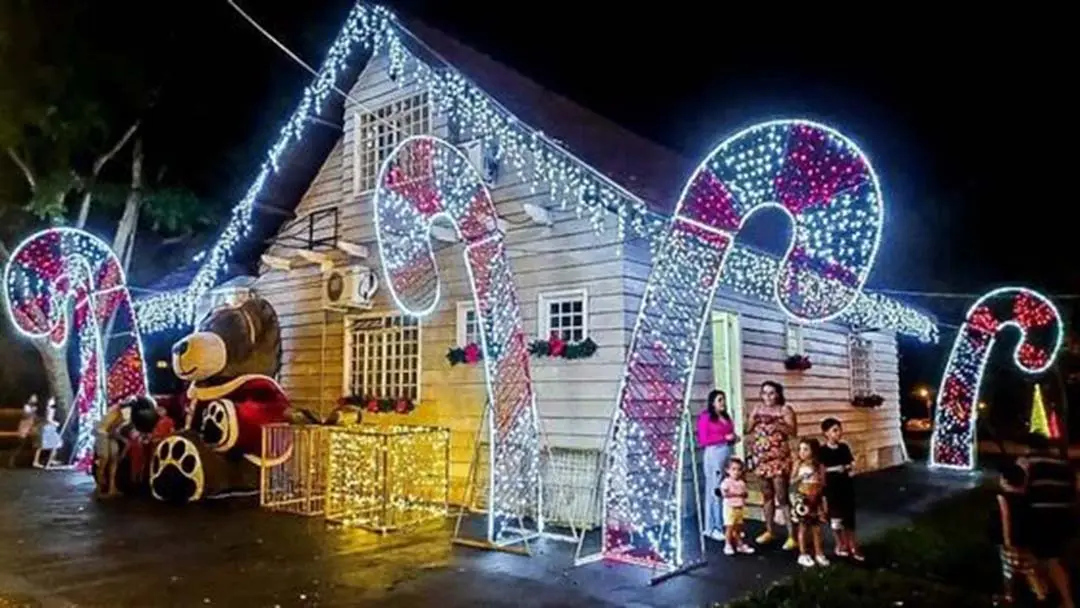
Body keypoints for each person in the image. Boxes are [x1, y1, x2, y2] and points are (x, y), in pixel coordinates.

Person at [1018, 432, 1077, 608]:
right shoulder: (1062, 463)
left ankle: (1063, 600)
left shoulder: (1026, 463)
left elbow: (1018, 491)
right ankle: (1051, 594)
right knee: (1051, 558)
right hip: (1065, 517)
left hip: (1040, 518)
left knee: (1045, 559)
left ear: (1029, 446)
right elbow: (1072, 490)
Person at [747, 380, 797, 549]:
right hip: (762, 459)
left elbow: (793, 432)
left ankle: (792, 535)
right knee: (766, 496)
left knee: (781, 497)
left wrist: (777, 423)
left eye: (771, 393)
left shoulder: (785, 410)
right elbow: (748, 429)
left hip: (779, 460)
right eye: (764, 393)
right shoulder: (757, 409)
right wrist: (753, 418)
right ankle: (769, 530)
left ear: (778, 394)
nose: (767, 397)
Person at [991, 463, 1046, 604]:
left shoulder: (1003, 499)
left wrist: (1007, 540)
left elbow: (1005, 518)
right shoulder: (1027, 500)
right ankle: (1041, 596)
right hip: (1026, 542)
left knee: (1010, 570)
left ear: (1005, 481)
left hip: (1010, 543)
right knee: (1029, 570)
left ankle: (1011, 596)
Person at [819, 418, 862, 561]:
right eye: (834, 430)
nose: (838, 433)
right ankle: (840, 543)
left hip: (845, 485)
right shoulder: (823, 451)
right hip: (832, 487)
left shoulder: (843, 447)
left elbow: (850, 463)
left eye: (839, 430)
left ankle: (853, 544)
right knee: (836, 518)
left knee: (849, 517)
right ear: (826, 433)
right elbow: (822, 470)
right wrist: (835, 469)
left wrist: (849, 468)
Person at [697, 389, 737, 541]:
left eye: (724, 399)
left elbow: (730, 433)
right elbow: (703, 439)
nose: (723, 403)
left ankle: (728, 525)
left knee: (727, 487)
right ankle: (713, 526)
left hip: (726, 452)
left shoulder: (725, 417)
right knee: (715, 489)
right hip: (714, 453)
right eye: (720, 400)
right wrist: (723, 437)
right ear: (712, 402)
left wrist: (733, 438)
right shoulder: (706, 417)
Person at [790, 437, 828, 567]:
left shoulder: (819, 465)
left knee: (816, 528)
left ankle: (819, 553)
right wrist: (801, 477)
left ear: (813, 451)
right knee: (803, 527)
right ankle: (803, 553)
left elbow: (823, 483)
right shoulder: (798, 464)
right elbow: (792, 482)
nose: (802, 452)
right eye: (800, 449)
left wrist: (822, 502)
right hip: (803, 498)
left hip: (815, 497)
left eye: (806, 449)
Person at [717, 457, 754, 555]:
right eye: (733, 469)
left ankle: (739, 544)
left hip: (739, 507)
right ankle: (727, 544)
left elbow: (745, 494)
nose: (736, 472)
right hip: (730, 508)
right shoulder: (726, 482)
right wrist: (737, 494)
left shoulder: (741, 483)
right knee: (730, 527)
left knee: (738, 527)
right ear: (727, 470)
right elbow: (724, 494)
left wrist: (743, 495)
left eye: (739, 469)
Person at [94, 403, 127, 498]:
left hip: (109, 433)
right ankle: (100, 489)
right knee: (104, 460)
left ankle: (112, 488)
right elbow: (111, 429)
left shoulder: (117, 409)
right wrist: (123, 440)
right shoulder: (122, 413)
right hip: (103, 434)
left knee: (114, 458)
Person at [7, 395, 38, 467]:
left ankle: (33, 461)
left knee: (35, 443)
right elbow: (25, 415)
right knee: (20, 444)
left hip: (31, 428)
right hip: (24, 428)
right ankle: (12, 460)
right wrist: (33, 413)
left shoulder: (34, 408)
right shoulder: (27, 407)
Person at [33, 398, 61, 469]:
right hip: (47, 428)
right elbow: (48, 419)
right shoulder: (49, 410)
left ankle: (51, 459)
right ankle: (36, 461)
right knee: (42, 445)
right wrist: (55, 423)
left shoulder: (50, 409)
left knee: (55, 443)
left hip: (49, 428)